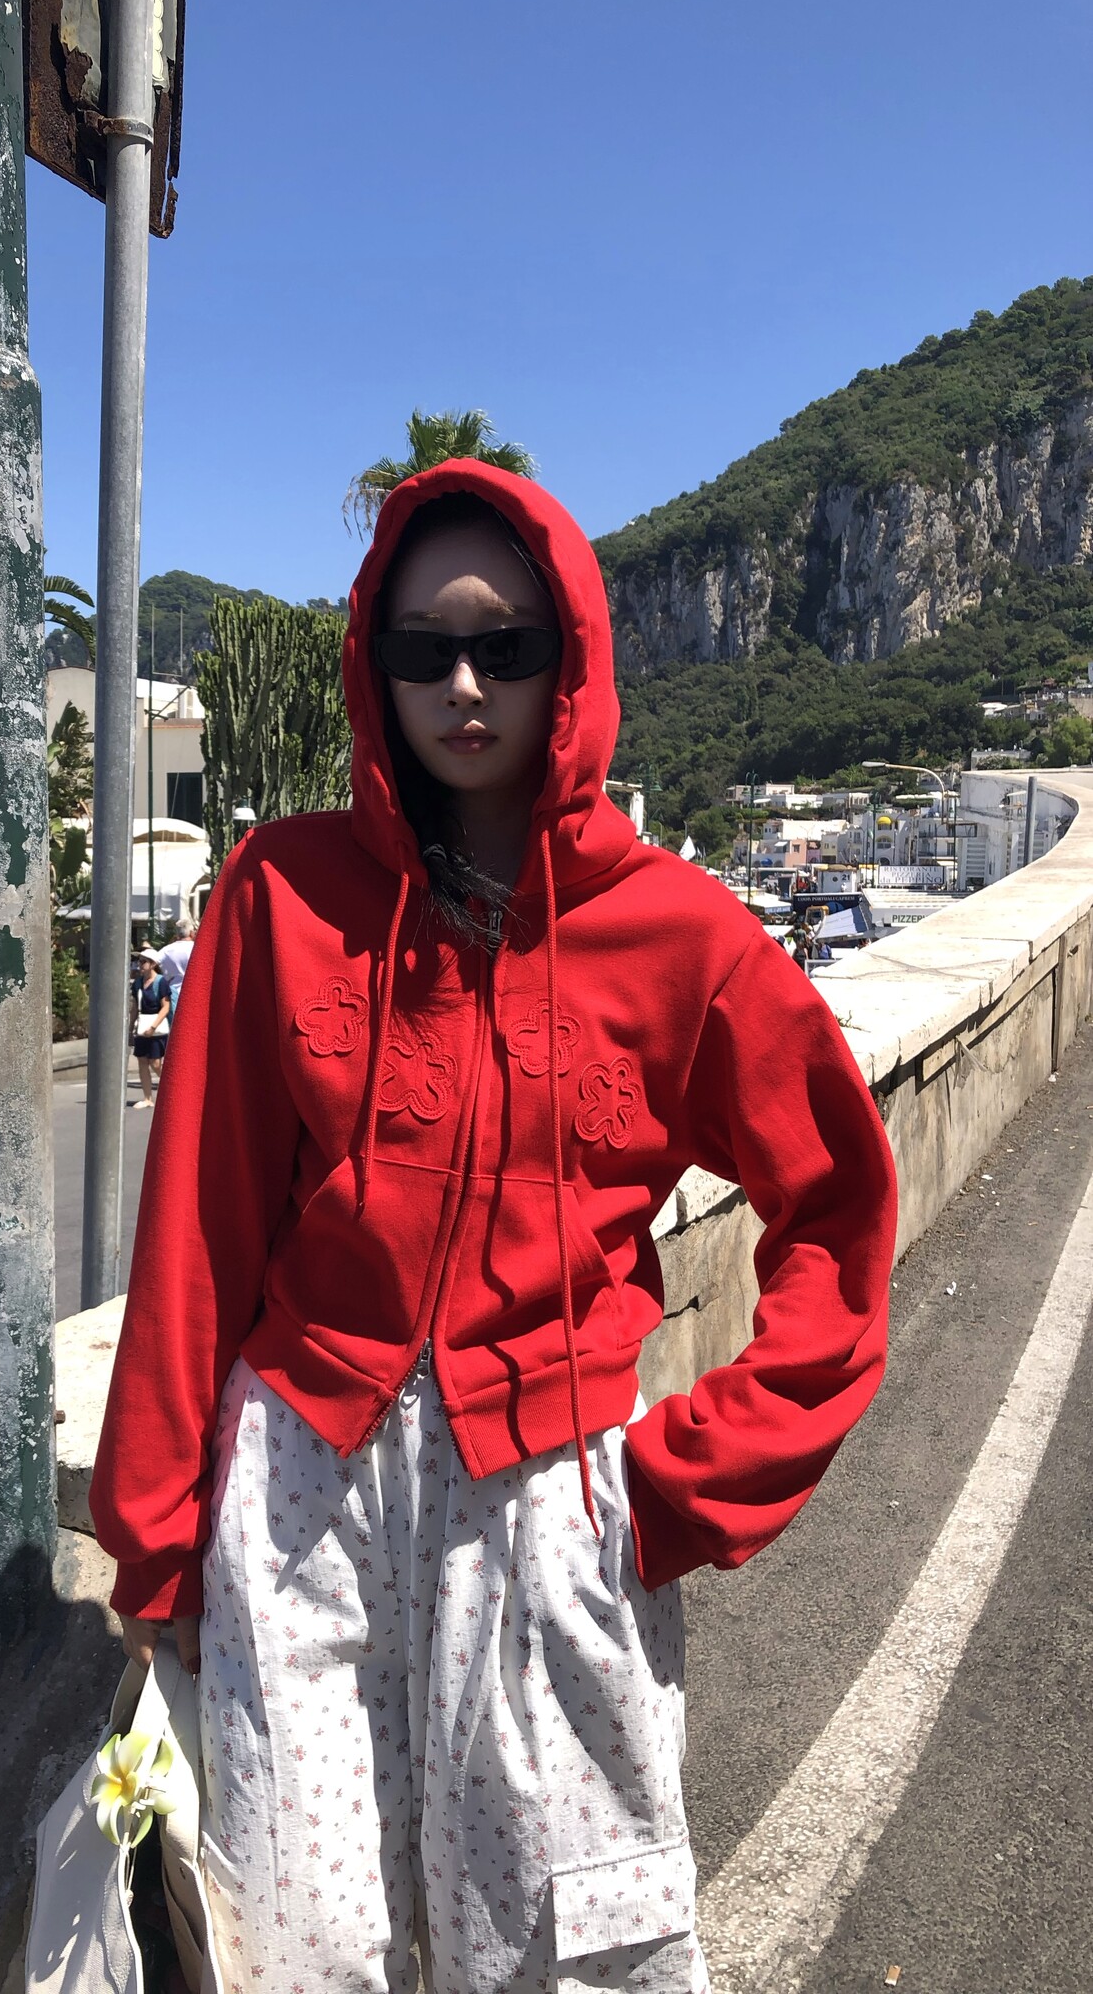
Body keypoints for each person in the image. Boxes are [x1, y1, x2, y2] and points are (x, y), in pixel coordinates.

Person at [92, 464, 896, 1992]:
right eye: (424, 649)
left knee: (556, 1954)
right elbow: (199, 1226)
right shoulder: (278, 894)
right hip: (299, 1494)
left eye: (506, 647)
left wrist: (687, 1480)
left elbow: (838, 1211)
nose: (464, 686)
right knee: (297, 1950)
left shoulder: (683, 938)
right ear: (375, 663)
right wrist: (157, 1538)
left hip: (551, 1505)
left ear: (569, 659)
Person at [128, 947, 171, 1108]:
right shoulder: (138, 983)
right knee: (142, 1061)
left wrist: (153, 1027)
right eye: (139, 961)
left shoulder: (160, 982)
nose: (140, 965)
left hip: (156, 1026)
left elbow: (165, 1007)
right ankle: (147, 1098)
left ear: (153, 964)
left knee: (155, 1063)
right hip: (142, 1025)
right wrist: (131, 1028)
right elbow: (135, 1007)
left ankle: (172, 1088)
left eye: (143, 961)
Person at [157, 916, 196, 1019]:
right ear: (192, 933)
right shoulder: (197, 949)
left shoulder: (165, 951)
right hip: (194, 995)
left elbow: (154, 964)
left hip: (172, 996)